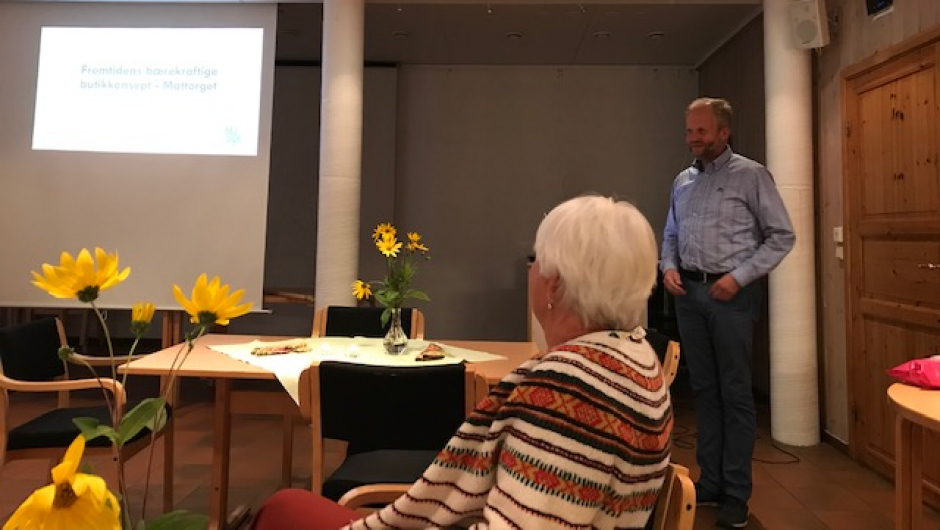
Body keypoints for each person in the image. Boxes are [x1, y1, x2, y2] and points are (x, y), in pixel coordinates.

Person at [251, 195, 673, 530]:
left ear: (553, 285)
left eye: (537, 259)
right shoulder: (638, 360)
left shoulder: (564, 392)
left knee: (284, 508)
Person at [660, 97, 795, 529]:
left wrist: (739, 277)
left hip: (731, 297)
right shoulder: (682, 180)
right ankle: (711, 483)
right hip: (690, 297)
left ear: (724, 132)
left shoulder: (751, 175)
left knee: (735, 395)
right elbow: (671, 234)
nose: (693, 139)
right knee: (704, 392)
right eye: (689, 131)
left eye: (701, 131)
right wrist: (668, 267)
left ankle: (736, 494)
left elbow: (781, 236)